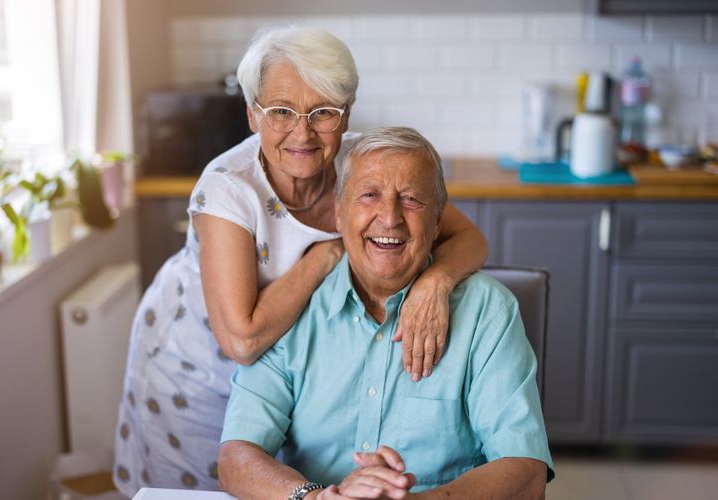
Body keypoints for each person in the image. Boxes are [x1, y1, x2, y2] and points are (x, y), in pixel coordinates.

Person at [114, 27, 487, 496]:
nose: (302, 132)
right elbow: (242, 339)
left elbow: (469, 238)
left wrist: (435, 282)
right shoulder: (229, 187)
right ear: (252, 115)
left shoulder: (363, 167)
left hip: (289, 379)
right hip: (196, 373)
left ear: (347, 114)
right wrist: (327, 254)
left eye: (323, 112)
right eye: (281, 112)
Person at [218, 127, 553, 500]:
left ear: (439, 221)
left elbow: (526, 471)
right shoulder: (294, 309)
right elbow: (236, 457)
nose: (390, 217)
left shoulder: (488, 312)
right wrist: (314, 498)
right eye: (370, 195)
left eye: (411, 200)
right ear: (339, 214)